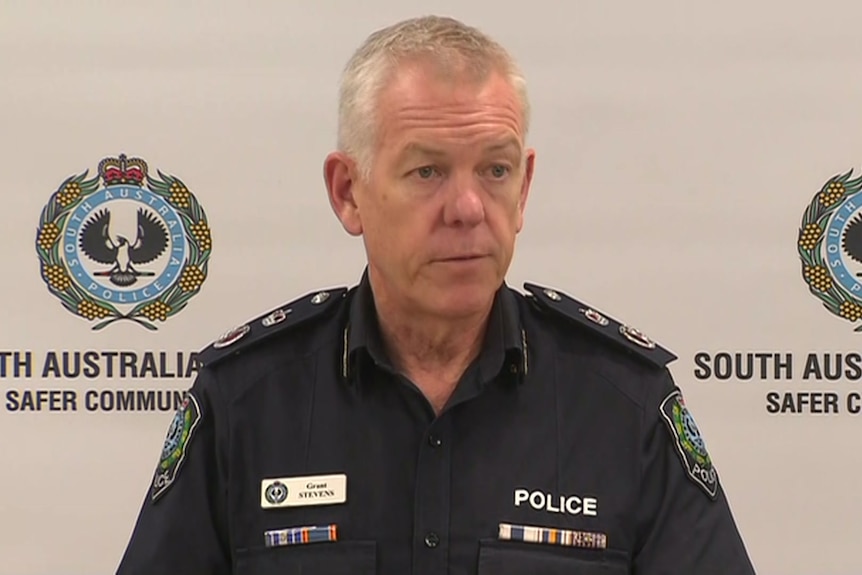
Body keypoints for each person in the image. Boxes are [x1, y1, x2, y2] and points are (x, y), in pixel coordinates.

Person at [115, 15, 757, 575]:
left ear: (525, 186)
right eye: (427, 171)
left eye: (495, 170)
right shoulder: (246, 403)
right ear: (348, 191)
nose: (469, 208)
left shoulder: (624, 405)